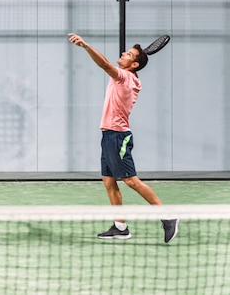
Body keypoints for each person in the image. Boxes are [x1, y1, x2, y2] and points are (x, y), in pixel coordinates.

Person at [67, 33, 179, 243]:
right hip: (108, 135)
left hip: (118, 136)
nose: (123, 54)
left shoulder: (125, 77)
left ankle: (168, 215)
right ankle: (120, 227)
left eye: (128, 54)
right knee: (108, 180)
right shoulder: (129, 77)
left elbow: (105, 64)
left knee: (130, 181)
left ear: (133, 64)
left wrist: (86, 46)